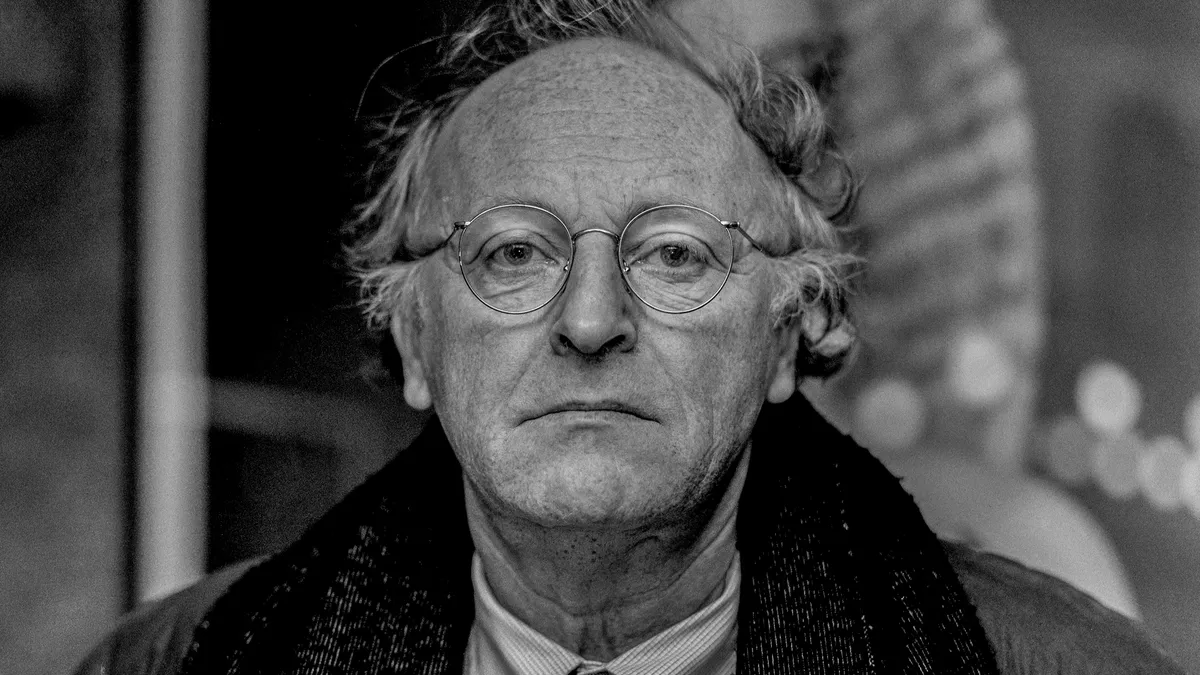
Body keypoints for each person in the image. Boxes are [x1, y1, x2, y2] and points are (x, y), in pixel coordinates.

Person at [76, 0, 1185, 673]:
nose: (591, 320)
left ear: (790, 330)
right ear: (412, 338)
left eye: (675, 255)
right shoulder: (180, 661)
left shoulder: (1036, 656)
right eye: (513, 252)